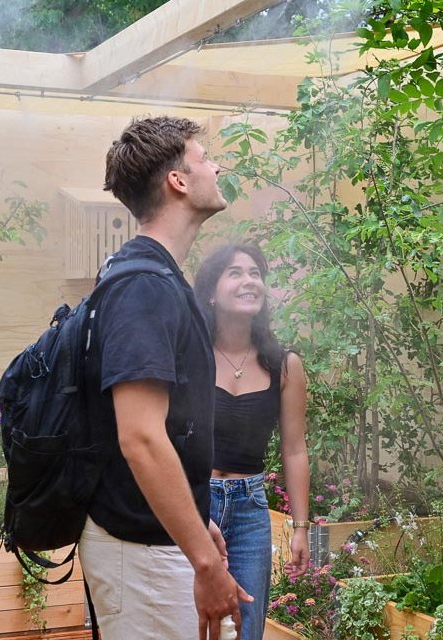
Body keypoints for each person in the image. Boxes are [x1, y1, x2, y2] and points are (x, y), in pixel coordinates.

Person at [81, 116, 250, 639]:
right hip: (142, 552)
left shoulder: (151, 277)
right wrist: (204, 561)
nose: (216, 165)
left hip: (157, 541)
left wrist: (196, 517)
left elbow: (168, 429)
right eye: (203, 158)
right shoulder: (144, 288)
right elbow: (141, 437)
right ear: (177, 181)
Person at [193, 243, 312, 640]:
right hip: (195, 504)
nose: (249, 281)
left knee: (245, 629)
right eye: (235, 272)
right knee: (190, 624)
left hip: (250, 512)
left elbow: (294, 450)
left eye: (255, 273)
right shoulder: (189, 357)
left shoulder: (284, 365)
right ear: (211, 291)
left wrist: (300, 527)